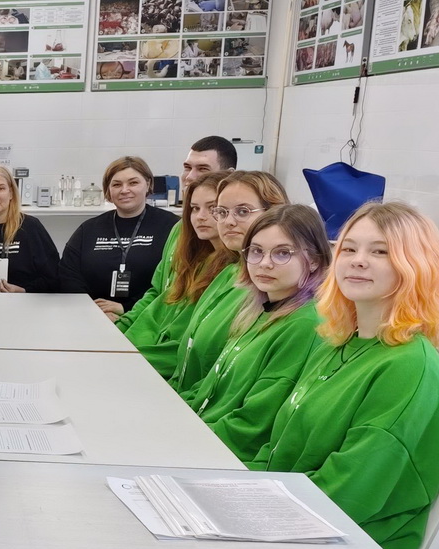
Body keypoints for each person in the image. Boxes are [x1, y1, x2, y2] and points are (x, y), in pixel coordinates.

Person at [250, 202, 439, 549]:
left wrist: (247, 511)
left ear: (417, 266)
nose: (358, 261)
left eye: (380, 252)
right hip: (290, 518)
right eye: (349, 249)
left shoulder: (407, 366)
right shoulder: (339, 343)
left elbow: (349, 493)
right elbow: (278, 448)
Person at [186, 205, 330, 460]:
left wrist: (184, 437)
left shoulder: (304, 324)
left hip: (228, 455)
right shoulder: (258, 308)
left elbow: (253, 425)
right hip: (204, 432)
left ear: (314, 260)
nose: (264, 263)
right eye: (256, 251)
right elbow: (210, 389)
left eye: (283, 253)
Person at [169, 170, 289, 395]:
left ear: (274, 213)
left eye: (243, 211)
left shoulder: (271, 290)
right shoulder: (226, 273)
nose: (229, 222)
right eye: (222, 212)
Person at [99, 136, 238, 325]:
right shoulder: (180, 229)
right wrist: (126, 324)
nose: (190, 177)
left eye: (202, 169)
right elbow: (159, 292)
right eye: (187, 167)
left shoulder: (230, 255)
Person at [114, 172, 230, 377]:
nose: (200, 216)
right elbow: (159, 297)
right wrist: (118, 331)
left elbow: (193, 348)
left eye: (212, 208)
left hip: (170, 366)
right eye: (194, 208)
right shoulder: (195, 254)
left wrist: (126, 358)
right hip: (151, 349)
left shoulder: (233, 273)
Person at [60, 155, 179, 312]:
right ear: (108, 189)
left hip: (147, 317)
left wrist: (127, 309)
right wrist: (92, 309)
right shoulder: (88, 229)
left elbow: (175, 281)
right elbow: (68, 275)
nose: (124, 190)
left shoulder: (172, 226)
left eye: (133, 183)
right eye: (116, 184)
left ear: (148, 184)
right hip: (94, 314)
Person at [0, 165, 61, 292]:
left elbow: (54, 277)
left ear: (11, 193)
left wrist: (24, 291)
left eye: (0, 188)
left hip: (25, 302)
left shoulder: (30, 227)